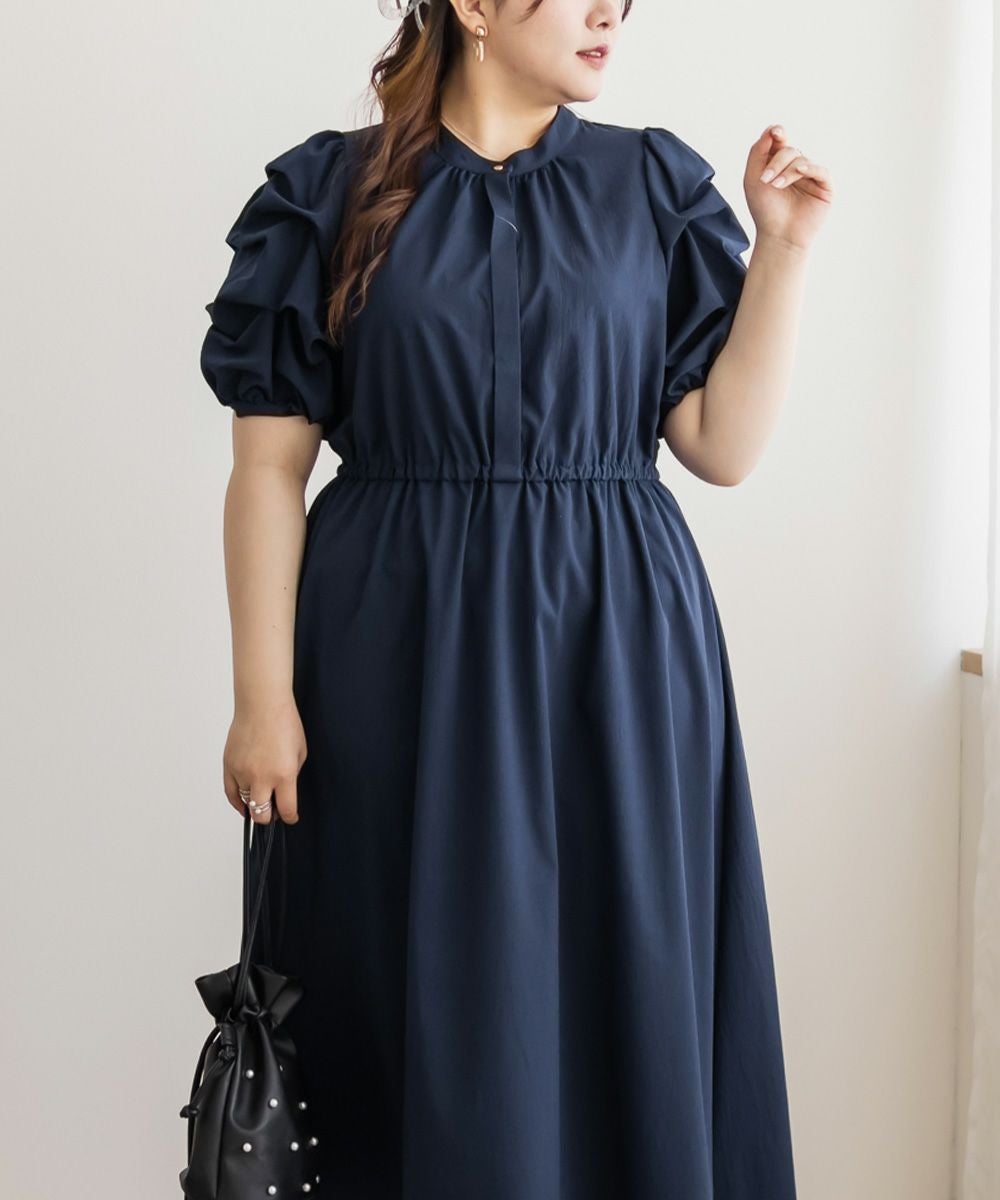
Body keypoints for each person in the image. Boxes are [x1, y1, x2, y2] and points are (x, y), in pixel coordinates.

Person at [199, 0, 832, 1195]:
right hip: (392, 648)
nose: (608, 14)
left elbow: (721, 445)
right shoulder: (327, 193)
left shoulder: (652, 185)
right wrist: (260, 697)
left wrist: (783, 250)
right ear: (474, 8)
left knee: (622, 978)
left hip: (616, 650)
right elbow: (269, 469)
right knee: (402, 993)